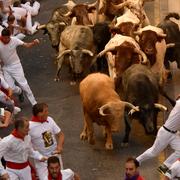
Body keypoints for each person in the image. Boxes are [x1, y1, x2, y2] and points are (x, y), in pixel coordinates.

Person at [136, 95, 180, 174]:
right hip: (165, 133)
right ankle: (136, 161)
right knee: (153, 153)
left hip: (174, 134)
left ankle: (163, 168)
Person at [0, 28, 39, 106]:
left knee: (24, 84)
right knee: (11, 88)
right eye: (3, 38)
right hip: (6, 68)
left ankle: (34, 103)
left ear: (9, 36)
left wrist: (33, 42)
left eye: (7, 38)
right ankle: (20, 92)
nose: (5, 40)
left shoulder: (14, 40)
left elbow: (27, 45)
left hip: (16, 65)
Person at [29, 102, 65, 180]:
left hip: (55, 157)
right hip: (42, 161)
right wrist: (38, 156)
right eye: (45, 111)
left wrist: (59, 146)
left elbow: (61, 135)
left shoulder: (50, 119)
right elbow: (27, 147)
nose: (48, 113)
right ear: (39, 114)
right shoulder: (29, 127)